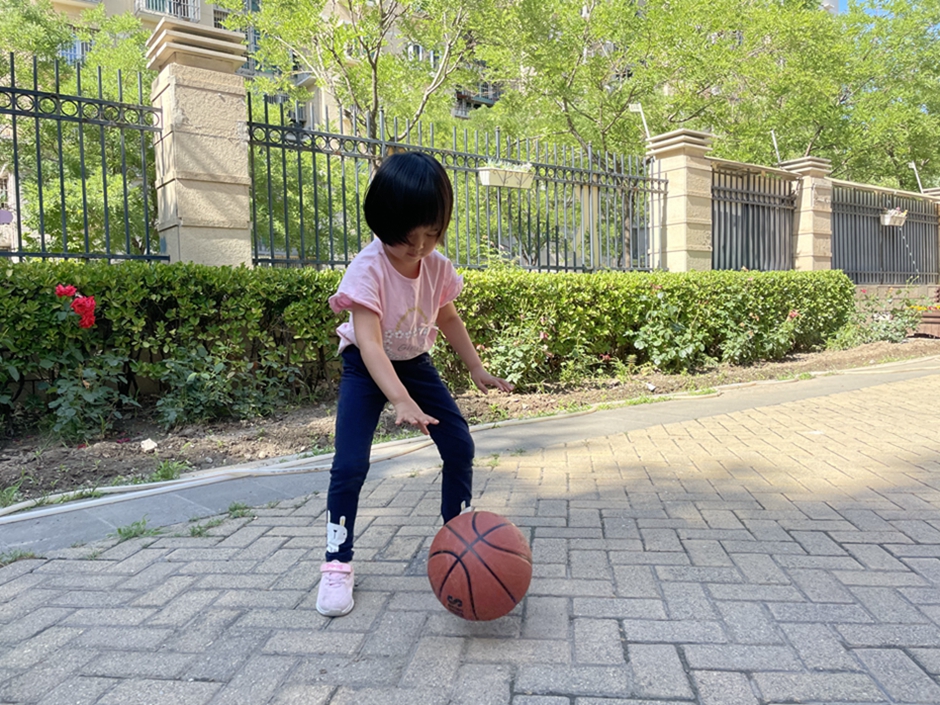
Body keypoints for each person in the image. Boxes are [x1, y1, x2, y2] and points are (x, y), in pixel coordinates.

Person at [316, 151, 513, 617]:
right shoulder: (367, 269)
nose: (421, 247)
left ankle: (458, 539)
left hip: (415, 363)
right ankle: (337, 562)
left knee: (460, 445)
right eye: (409, 237)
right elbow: (369, 344)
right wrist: (399, 400)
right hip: (366, 369)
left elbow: (449, 318)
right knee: (349, 465)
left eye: (433, 233)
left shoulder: (437, 266)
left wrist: (477, 368)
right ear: (383, 221)